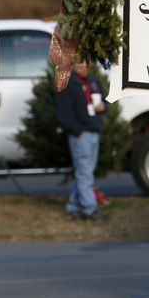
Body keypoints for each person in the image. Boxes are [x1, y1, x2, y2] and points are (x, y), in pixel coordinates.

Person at [55, 61, 106, 220]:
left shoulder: (93, 81)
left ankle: (74, 205)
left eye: (83, 62)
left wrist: (103, 107)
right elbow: (63, 112)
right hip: (80, 134)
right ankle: (89, 208)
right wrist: (76, 132)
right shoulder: (68, 83)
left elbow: (104, 101)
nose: (80, 65)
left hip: (93, 130)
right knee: (85, 173)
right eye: (78, 62)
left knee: (85, 172)